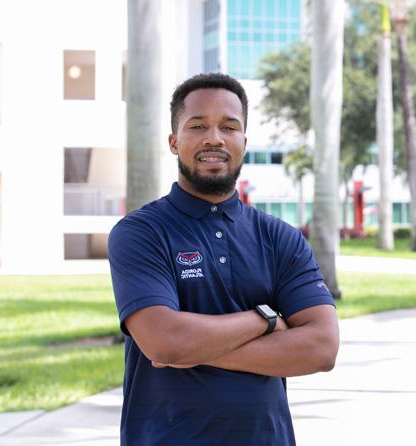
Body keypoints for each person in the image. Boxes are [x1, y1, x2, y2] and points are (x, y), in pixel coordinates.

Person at [108, 72, 339, 445]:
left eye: (228, 127)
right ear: (173, 141)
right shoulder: (141, 232)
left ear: (243, 142)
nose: (214, 138)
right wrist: (265, 319)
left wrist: (192, 350)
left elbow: (321, 348)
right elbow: (164, 342)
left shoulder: (279, 238)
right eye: (197, 125)